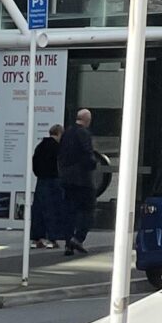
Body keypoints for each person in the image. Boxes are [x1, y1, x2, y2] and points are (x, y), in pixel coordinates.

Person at [57, 108, 99, 257]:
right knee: (89, 209)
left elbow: (61, 155)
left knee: (70, 212)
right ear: (87, 120)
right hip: (83, 180)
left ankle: (68, 243)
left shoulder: (67, 133)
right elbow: (88, 155)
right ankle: (78, 238)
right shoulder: (84, 133)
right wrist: (93, 163)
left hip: (67, 179)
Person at [30, 123, 65, 252]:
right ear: (59, 134)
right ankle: (52, 239)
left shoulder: (39, 147)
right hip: (54, 181)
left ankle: (37, 239)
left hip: (41, 181)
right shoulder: (58, 148)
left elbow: (34, 165)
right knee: (53, 210)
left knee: (39, 210)